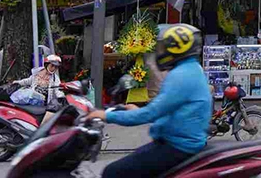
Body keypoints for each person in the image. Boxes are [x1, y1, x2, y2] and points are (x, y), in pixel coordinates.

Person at [88, 24, 211, 178]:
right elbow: (167, 109)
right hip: (180, 142)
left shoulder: (181, 75)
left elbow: (150, 114)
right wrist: (136, 110)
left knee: (112, 172)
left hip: (177, 146)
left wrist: (105, 115)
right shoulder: (193, 69)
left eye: (165, 47)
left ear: (177, 48)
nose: (161, 52)